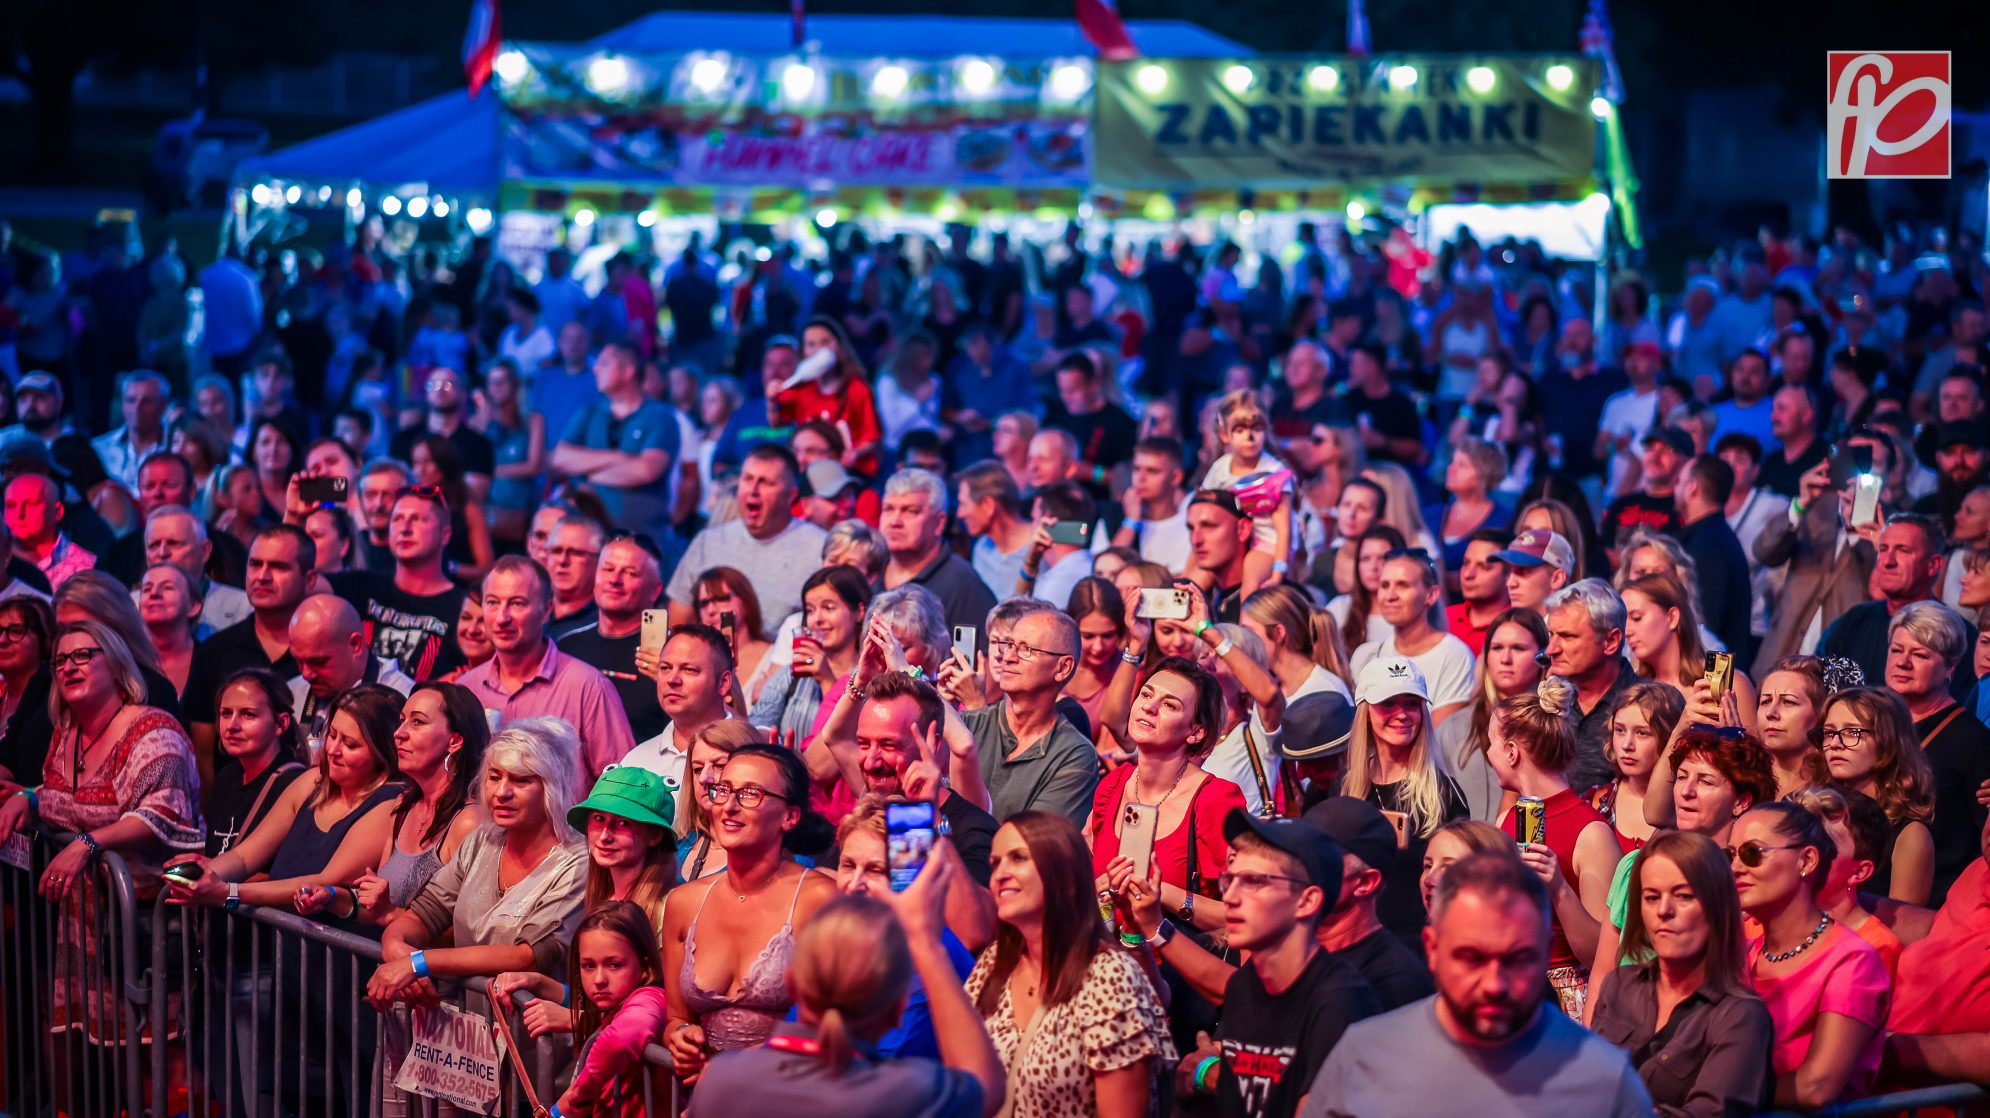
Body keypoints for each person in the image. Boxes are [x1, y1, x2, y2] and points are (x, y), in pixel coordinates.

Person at [1299, 851, 1653, 1118]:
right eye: (1471, 958)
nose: (1494, 984)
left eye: (1517, 959)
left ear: (1545, 951)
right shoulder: (1363, 1058)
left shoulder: (1605, 1081)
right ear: (1433, 949)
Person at [1114, 809, 1379, 1117]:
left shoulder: (1340, 999)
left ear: (1307, 900)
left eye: (1254, 882)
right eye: (1231, 880)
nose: (1232, 898)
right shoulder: (1246, 987)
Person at [690, 881, 1008, 1118]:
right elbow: (985, 1086)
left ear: (793, 984)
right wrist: (927, 943)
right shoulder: (906, 1093)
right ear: (898, 1007)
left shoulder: (720, 1080)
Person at [368, 717, 589, 1016]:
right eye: (494, 777)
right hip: (473, 1038)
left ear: (554, 787)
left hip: (536, 1041)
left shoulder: (579, 862)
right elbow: (423, 914)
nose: (502, 792)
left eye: (521, 780)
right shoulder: (483, 840)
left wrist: (418, 963)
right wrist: (395, 946)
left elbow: (528, 956)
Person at [968, 811, 1176, 1116]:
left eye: (1018, 858)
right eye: (995, 863)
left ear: (1064, 875)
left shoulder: (1109, 977)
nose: (1000, 874)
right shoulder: (993, 961)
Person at [662, 745, 839, 1081]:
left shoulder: (820, 900)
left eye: (750, 794)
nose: (728, 806)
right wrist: (680, 1037)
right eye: (724, 790)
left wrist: (738, 1071)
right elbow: (675, 1017)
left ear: (790, 816)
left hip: (794, 1093)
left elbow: (837, 1022)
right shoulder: (683, 903)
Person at [162, 683, 403, 911]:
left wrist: (228, 892)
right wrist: (204, 875)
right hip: (285, 946)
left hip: (333, 947)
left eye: (349, 744)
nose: (332, 750)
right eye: (332, 735)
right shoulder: (312, 781)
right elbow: (244, 856)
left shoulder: (389, 801)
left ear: (382, 752)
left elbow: (325, 881)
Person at [1588, 830, 1775, 1115]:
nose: (1664, 910)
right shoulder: (1620, 986)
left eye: (1684, 896)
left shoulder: (1740, 1016)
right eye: (1651, 898)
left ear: (1717, 907)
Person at [1731, 801, 1890, 1108]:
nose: (1736, 867)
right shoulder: (1744, 951)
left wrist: (1717, 1094)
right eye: (1730, 855)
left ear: (1806, 860)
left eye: (1752, 853)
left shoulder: (1853, 962)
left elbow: (1815, 1087)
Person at [1486, 677, 1623, 1022]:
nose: (1487, 754)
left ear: (1512, 752)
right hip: (1508, 984)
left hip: (1568, 1001)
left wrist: (1559, 889)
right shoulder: (1506, 818)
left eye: (1491, 743)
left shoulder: (1590, 832)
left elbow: (1603, 955)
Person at [1086, 655, 1245, 939]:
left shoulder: (1215, 799)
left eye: (1170, 705)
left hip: (1174, 972)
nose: (1149, 706)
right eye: (1146, 694)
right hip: (1107, 963)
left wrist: (1163, 893)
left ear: (1196, 732)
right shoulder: (1113, 785)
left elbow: (1243, 914)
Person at [455, 556, 636, 780]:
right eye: (492, 602)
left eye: (517, 603)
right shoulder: (465, 688)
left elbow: (622, 785)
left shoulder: (587, 686)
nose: (502, 618)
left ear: (547, 610)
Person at [1338, 656, 1469, 949]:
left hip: (1419, 950)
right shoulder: (1345, 788)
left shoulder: (1444, 795)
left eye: (1411, 703)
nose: (1402, 714)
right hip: (1354, 948)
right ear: (1366, 712)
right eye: (1388, 703)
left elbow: (1459, 890)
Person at [182, 524, 314, 784]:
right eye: (255, 564)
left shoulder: (323, 654)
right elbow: (202, 756)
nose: (262, 576)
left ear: (309, 580)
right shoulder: (216, 650)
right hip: (231, 810)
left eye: (278, 567)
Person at [1880, 600, 1990, 904]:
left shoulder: (1973, 741)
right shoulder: (1873, 724)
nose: (1903, 662)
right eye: (1896, 650)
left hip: (1933, 906)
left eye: (1919, 655)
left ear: (1951, 666)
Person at [963, 605, 1101, 824]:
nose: (1007, 657)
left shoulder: (1074, 755)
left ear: (1063, 668)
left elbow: (1033, 847)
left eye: (1025, 649)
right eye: (1009, 645)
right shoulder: (966, 726)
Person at [1304, 796, 1438, 1010]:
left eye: (1319, 855)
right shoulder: (1291, 951)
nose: (1299, 865)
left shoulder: (1397, 982)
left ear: (1365, 883)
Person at [669, 445, 827, 625]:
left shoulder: (818, 548)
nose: (753, 490)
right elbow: (677, 623)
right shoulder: (708, 541)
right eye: (747, 479)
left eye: (766, 482)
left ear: (790, 495)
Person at [327, 484, 469, 682]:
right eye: (398, 519)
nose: (405, 528)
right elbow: (300, 587)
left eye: (418, 519)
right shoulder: (361, 585)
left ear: (445, 535)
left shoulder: (464, 609)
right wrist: (294, 515)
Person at [1811, 686, 1936, 904]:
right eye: (1829, 733)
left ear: (1887, 742)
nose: (1835, 744)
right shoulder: (1811, 813)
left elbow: (1905, 927)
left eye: (1853, 732)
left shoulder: (1910, 836)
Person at [558, 533, 669, 741]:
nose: (615, 580)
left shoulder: (672, 655)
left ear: (655, 590)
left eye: (630, 573)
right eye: (608, 569)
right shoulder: (566, 646)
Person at [1820, 513, 1951, 687]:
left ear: (1933, 565)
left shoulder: (1954, 633)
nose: (1888, 561)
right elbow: (1822, 687)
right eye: (1883, 549)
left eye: (1903, 550)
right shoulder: (1852, 621)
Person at [1785, 785, 1903, 977]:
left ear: (1859, 871)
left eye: (1820, 841)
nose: (1802, 851)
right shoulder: (1759, 921)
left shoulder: (1874, 947)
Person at [1348, 549, 1476, 725]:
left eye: (1402, 585)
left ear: (1431, 595)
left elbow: (1440, 739)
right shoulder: (1366, 656)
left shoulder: (1454, 655)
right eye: (1384, 585)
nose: (1390, 596)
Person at [751, 565, 872, 749]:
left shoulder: (870, 677)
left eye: (829, 608)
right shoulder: (791, 674)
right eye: (810, 610)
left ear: (859, 612)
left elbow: (855, 740)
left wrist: (827, 681)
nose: (817, 619)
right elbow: (755, 729)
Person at [1545, 579, 1645, 796]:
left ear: (1611, 641)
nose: (1551, 649)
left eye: (1567, 636)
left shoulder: (1648, 705)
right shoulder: (1546, 700)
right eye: (1551, 635)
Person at [1451, 608, 1550, 823]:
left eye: (1518, 648)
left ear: (1543, 657)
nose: (1505, 659)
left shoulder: (1555, 725)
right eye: (1496, 648)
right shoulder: (1453, 727)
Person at [1673, 454, 1754, 656]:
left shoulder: (1708, 546)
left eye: (1680, 482)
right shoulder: (1715, 538)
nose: (1675, 488)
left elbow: (1704, 624)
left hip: (1709, 675)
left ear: (1692, 488)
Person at [1587, 683, 1683, 850]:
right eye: (1620, 730)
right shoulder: (1597, 803)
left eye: (1642, 733)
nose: (1626, 745)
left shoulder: (1686, 809)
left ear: (1669, 738)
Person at [410, 434, 496, 585]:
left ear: (444, 463)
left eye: (428, 462)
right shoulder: (410, 502)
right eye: (416, 463)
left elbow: (486, 568)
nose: (420, 470)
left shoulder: (467, 507)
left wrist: (449, 566)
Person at [1064, 578, 1127, 756]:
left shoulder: (1126, 669)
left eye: (1107, 635)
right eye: (1088, 636)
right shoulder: (1052, 660)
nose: (1098, 646)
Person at [5, 473, 94, 588]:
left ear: (57, 512)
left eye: (30, 504)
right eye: (11, 505)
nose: (19, 514)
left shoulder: (84, 570)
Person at [1757, 655, 1827, 798]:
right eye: (1765, 702)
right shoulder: (1744, 782)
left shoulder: (1833, 791)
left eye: (1788, 702)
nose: (1771, 713)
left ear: (1822, 714)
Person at [693, 565, 773, 691]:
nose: (711, 610)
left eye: (721, 599)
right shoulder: (693, 661)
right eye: (703, 604)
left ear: (746, 600)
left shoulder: (774, 657)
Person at [137, 561, 201, 696]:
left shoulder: (212, 660)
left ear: (193, 606)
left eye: (167, 587)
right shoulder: (126, 661)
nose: (154, 593)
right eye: (147, 589)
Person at [1445, 531, 1511, 656]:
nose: (1468, 574)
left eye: (1483, 567)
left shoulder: (1517, 626)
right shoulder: (1442, 618)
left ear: (1508, 574)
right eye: (1466, 563)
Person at [542, 513, 605, 640]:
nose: (563, 560)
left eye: (576, 553)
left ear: (599, 560)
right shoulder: (530, 610)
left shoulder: (604, 624)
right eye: (556, 550)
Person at [1494, 528, 1575, 615]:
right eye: (1509, 571)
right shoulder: (1504, 624)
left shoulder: (1576, 627)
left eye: (1523, 571)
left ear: (1557, 579)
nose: (1510, 583)